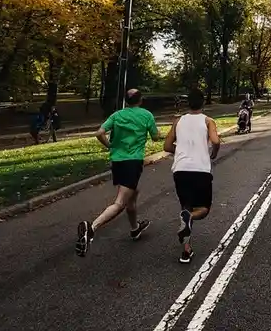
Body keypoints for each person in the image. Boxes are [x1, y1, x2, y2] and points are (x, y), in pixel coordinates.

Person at [77, 89, 159, 257]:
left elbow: (99, 133)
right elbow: (156, 137)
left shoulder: (117, 115)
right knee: (120, 202)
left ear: (126, 101)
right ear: (140, 100)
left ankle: (135, 229)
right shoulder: (146, 115)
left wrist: (110, 146)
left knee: (133, 194)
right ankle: (91, 229)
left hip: (117, 161)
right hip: (133, 162)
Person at [163, 88, 221, 264]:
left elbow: (166, 146)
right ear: (203, 103)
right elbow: (216, 141)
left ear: (188, 104)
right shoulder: (208, 121)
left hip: (180, 170)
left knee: (186, 207)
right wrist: (213, 153)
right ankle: (190, 218)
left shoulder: (178, 121)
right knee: (203, 209)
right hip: (200, 170)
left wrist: (180, 150)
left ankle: (186, 251)